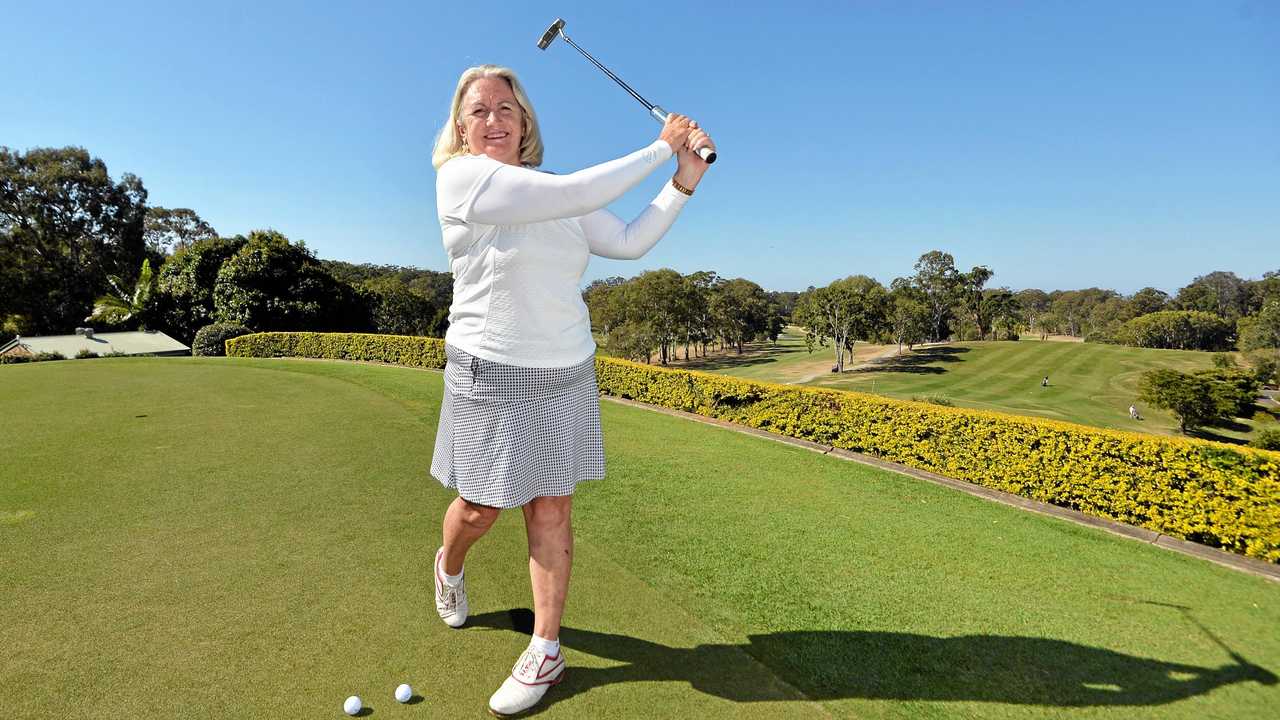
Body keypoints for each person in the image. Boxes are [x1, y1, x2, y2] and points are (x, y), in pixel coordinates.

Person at [427, 64, 714, 716]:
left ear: (525, 121)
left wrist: (681, 183)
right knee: (480, 510)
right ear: (461, 128)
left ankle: (547, 649)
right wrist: (660, 145)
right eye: (479, 111)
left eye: (507, 107)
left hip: (564, 371)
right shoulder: (462, 180)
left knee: (551, 511)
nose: (494, 119)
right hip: (489, 369)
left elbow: (630, 241)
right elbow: (578, 193)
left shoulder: (558, 190)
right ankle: (448, 566)